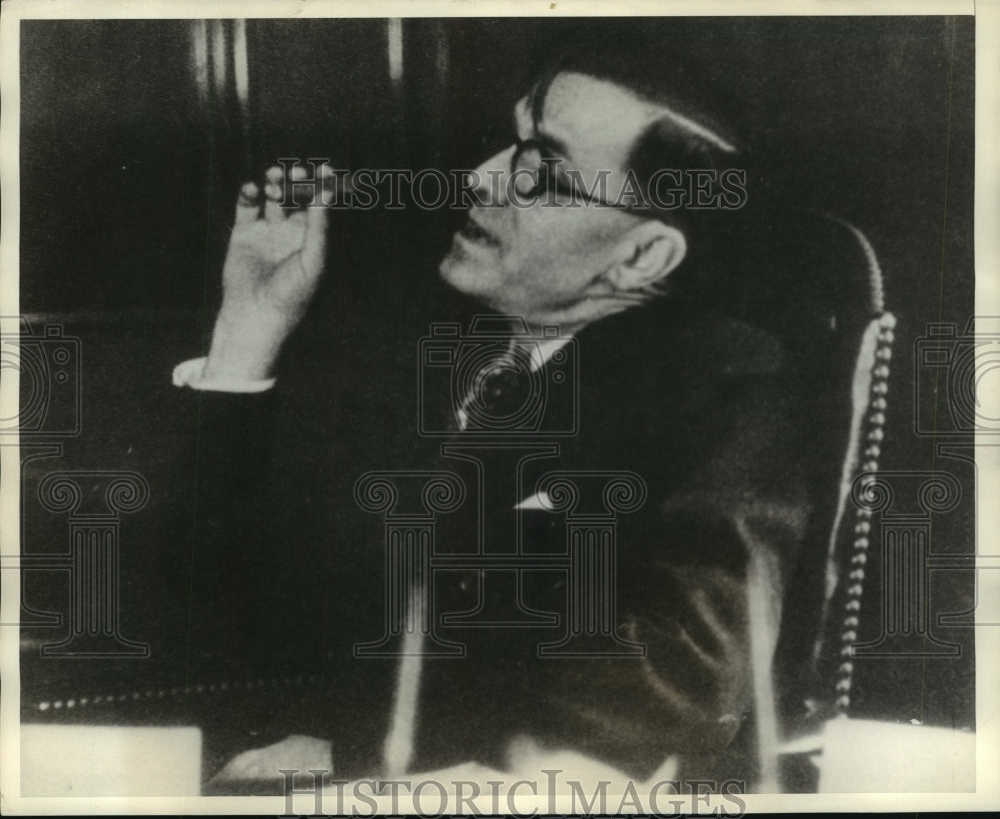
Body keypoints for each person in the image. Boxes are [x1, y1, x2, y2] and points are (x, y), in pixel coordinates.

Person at [175, 50, 858, 788]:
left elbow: (675, 678)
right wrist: (248, 332)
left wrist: (363, 745)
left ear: (642, 256)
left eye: (540, 169)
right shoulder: (431, 343)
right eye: (509, 146)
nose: (483, 176)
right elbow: (217, 609)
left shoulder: (722, 386)